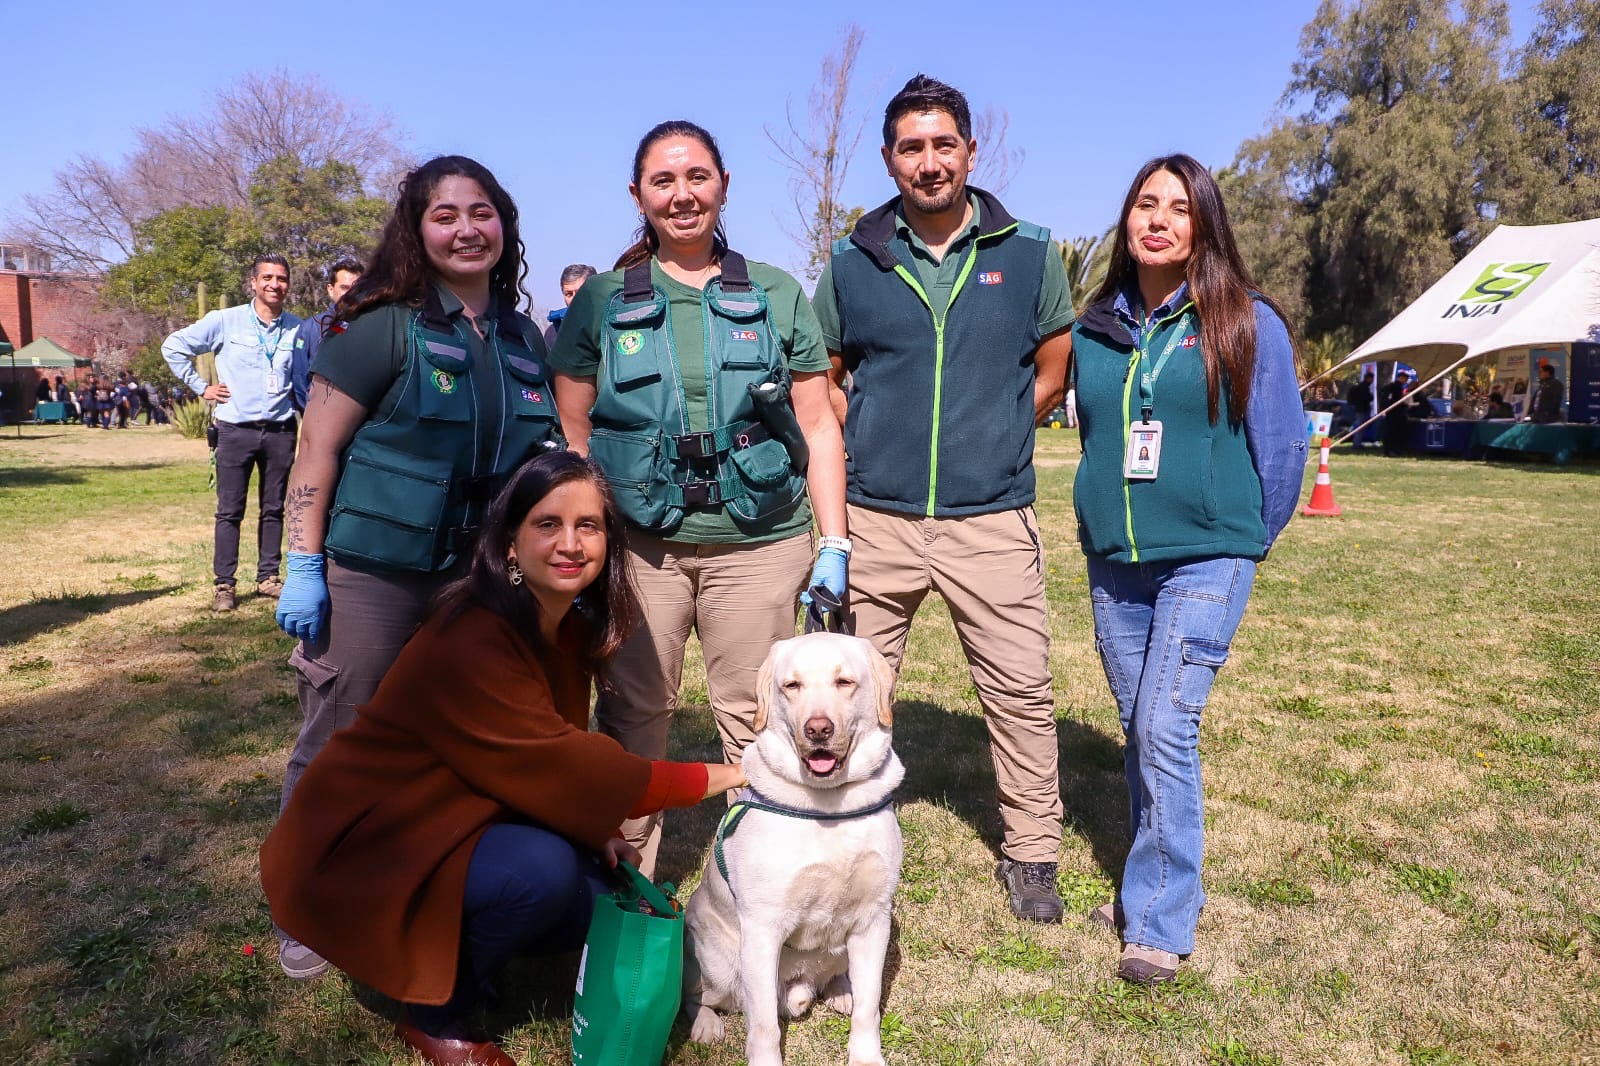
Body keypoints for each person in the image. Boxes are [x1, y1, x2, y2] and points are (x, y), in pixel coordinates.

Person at [262, 451, 745, 1066]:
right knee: (541, 873)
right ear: (509, 544)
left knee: (597, 899)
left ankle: (463, 950)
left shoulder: (564, 624)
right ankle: (436, 1014)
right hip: (368, 841)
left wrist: (596, 831)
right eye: (547, 524)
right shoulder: (473, 634)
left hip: (453, 816)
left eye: (589, 526)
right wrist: (728, 774)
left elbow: (543, 758)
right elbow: (567, 765)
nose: (570, 544)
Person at [272, 155, 563, 980]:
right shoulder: (377, 323)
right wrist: (304, 563)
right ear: (416, 228)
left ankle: (420, 881)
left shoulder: (518, 333)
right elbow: (316, 452)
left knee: (451, 741)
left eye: (482, 212)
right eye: (445, 215)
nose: (466, 229)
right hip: (375, 571)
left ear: (504, 224)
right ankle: (304, 899)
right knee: (340, 735)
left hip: (473, 580)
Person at [551, 121, 847, 876]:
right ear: (638, 195)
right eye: (663, 181)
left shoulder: (777, 292)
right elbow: (573, 429)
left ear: (722, 183)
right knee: (633, 721)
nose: (682, 195)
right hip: (639, 547)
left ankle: (764, 886)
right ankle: (624, 892)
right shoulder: (604, 301)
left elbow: (816, 421)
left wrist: (834, 543)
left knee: (756, 724)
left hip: (759, 543)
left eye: (697, 177)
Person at [813, 75, 1074, 923]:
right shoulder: (852, 262)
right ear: (890, 160)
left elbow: (1052, 365)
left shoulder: (1029, 251)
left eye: (942, 145)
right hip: (876, 521)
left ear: (970, 149)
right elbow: (826, 373)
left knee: (1021, 692)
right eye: (910, 148)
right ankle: (831, 829)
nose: (928, 163)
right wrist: (866, 436)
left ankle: (1033, 852)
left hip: (991, 519)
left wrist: (996, 433)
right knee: (841, 687)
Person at [1072, 153, 1307, 984]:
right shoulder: (1096, 330)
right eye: (1145, 204)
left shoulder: (1246, 321)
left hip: (1208, 558)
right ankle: (1150, 887)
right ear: (1127, 220)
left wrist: (1243, 535)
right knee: (1140, 727)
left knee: (1168, 726)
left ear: (1204, 225)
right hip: (1117, 564)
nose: (1159, 219)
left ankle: (1161, 924)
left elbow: (1282, 448)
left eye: (1179, 207)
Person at [162, 255, 307, 611]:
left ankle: (268, 578)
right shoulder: (225, 322)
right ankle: (224, 585)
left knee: (274, 509)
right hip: (235, 430)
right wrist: (201, 386)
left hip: (280, 430)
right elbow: (173, 347)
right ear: (253, 283)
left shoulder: (298, 329)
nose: (275, 284)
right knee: (230, 511)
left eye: (282, 279)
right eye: (268, 278)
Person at [299, 256, 365, 372]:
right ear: (330, 289)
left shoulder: (372, 327)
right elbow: (299, 375)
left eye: (357, 288)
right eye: (344, 287)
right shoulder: (310, 328)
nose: (351, 293)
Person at [543, 262, 597, 350]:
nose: (574, 299)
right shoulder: (553, 333)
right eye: (569, 294)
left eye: (580, 292)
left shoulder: (609, 327)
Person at [1380, 371, 1411, 455]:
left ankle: (1387, 450)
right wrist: (1406, 406)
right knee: (1395, 433)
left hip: (1390, 413)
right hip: (1396, 414)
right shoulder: (1397, 387)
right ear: (1402, 378)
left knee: (1389, 432)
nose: (1406, 381)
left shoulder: (1389, 386)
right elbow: (1397, 401)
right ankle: (1393, 450)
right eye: (1406, 379)